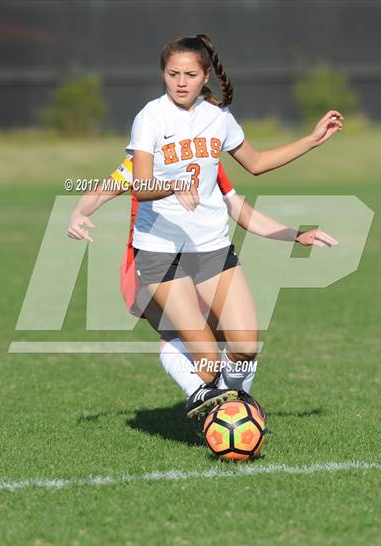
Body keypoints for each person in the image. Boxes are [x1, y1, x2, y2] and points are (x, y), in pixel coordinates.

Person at [124, 34, 342, 418]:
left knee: (244, 347)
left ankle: (233, 410)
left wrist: (310, 141)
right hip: (161, 253)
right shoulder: (151, 117)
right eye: (172, 73)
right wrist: (174, 185)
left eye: (190, 74)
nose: (180, 82)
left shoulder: (218, 118)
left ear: (205, 74)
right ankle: (216, 407)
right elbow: (139, 185)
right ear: (162, 74)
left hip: (212, 250)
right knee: (206, 357)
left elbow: (255, 163)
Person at [68, 154, 338, 419]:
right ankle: (201, 394)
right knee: (194, 349)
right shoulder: (144, 159)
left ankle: (234, 410)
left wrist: (296, 235)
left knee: (238, 345)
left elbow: (240, 210)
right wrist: (79, 212)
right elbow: (100, 192)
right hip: (150, 267)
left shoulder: (207, 157)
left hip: (201, 265)